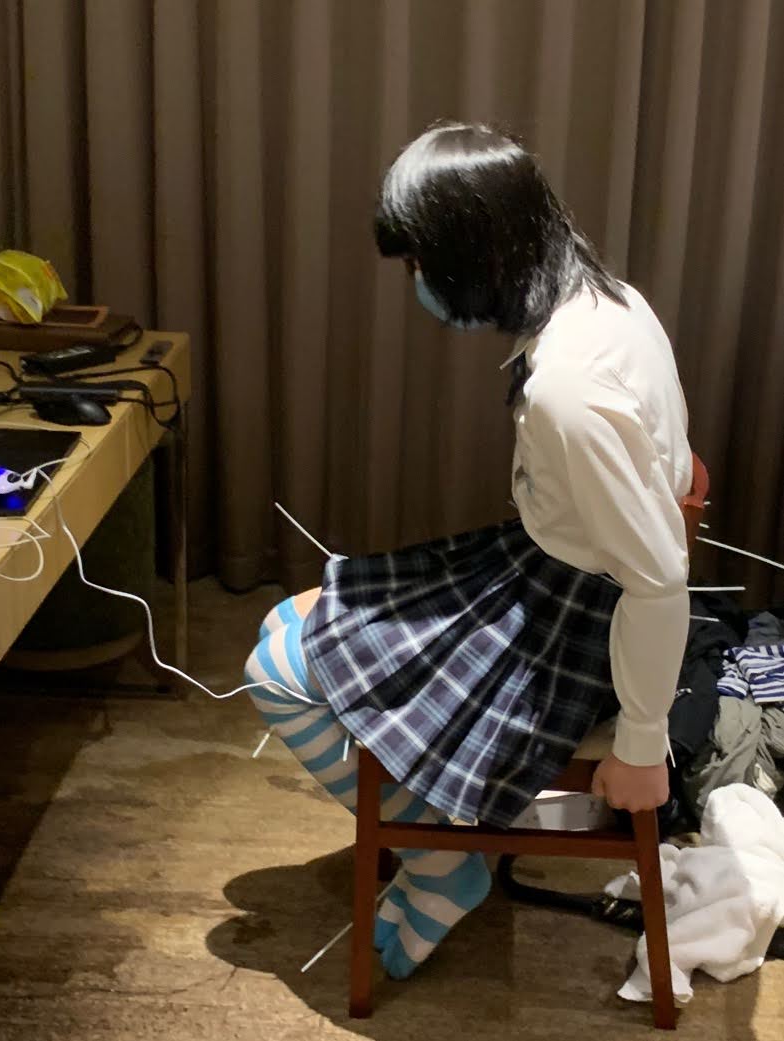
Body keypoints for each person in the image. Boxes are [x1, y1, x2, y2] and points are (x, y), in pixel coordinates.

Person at [244, 121, 692, 981]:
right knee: (287, 628)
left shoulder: (568, 386)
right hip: (545, 568)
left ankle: (440, 862)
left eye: (420, 263)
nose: (415, 281)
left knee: (274, 668)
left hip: (573, 618)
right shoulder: (611, 300)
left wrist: (640, 743)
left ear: (474, 256)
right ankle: (437, 841)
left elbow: (658, 581)